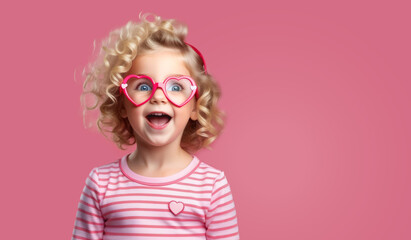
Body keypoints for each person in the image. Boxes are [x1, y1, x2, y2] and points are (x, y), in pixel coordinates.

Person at [72, 13, 240, 239]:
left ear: (194, 107)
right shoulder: (101, 184)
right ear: (122, 105)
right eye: (142, 86)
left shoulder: (211, 186)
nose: (158, 96)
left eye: (176, 87)